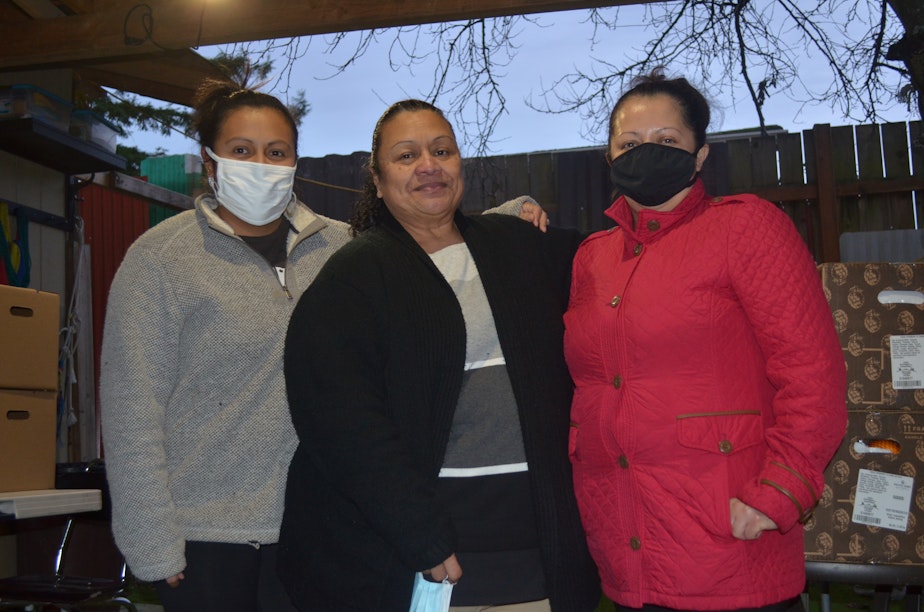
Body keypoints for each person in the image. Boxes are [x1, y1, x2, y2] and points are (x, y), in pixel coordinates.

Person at [99, 81, 546, 612]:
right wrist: (151, 542)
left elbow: (427, 228)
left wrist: (514, 214)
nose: (261, 164)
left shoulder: (342, 248)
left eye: (276, 152)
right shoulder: (160, 261)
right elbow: (131, 410)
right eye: (242, 151)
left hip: (316, 525)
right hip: (207, 535)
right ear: (211, 162)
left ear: (294, 163)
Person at [278, 99, 600, 611]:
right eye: (406, 156)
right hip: (431, 566)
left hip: (543, 564)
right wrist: (419, 534)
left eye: (442, 150)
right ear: (378, 182)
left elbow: (618, 263)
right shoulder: (352, 281)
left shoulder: (519, 248)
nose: (429, 165)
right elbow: (341, 426)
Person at [563, 69, 847, 612]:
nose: (647, 152)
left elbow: (813, 375)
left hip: (730, 537)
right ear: (609, 157)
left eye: (667, 140)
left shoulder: (745, 229)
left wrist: (780, 491)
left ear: (699, 156)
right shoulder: (592, 257)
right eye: (630, 142)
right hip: (624, 547)